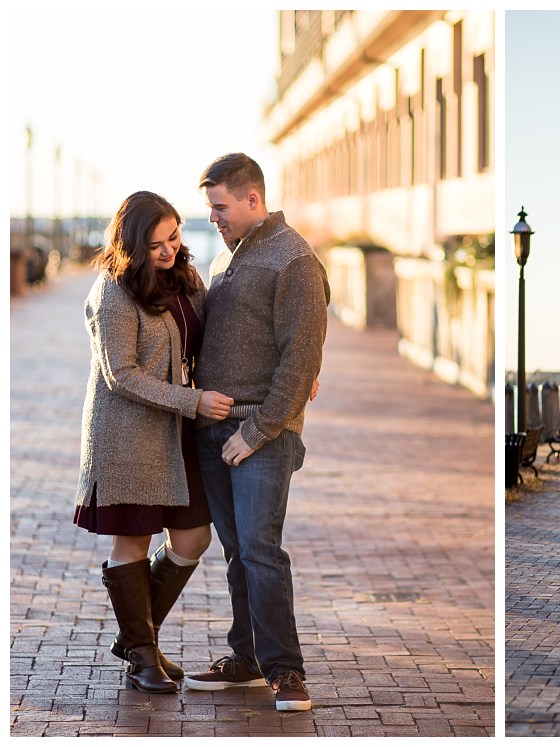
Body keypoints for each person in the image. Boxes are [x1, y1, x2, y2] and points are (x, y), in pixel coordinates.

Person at [183, 153, 330, 712]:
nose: (214, 217)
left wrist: (261, 428)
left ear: (253, 199)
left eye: (220, 207)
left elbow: (301, 352)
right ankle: (244, 656)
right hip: (213, 428)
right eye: (210, 209)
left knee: (261, 550)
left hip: (260, 435)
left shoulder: (293, 258)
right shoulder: (233, 257)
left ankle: (285, 671)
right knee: (237, 551)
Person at [74, 191, 235, 694]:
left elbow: (217, 339)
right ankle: (143, 655)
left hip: (175, 427)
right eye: (157, 244)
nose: (170, 250)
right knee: (134, 541)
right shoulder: (112, 292)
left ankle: (134, 636)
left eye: (175, 236)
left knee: (193, 537)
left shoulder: (186, 279)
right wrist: (194, 402)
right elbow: (120, 375)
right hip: (125, 434)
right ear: (132, 243)